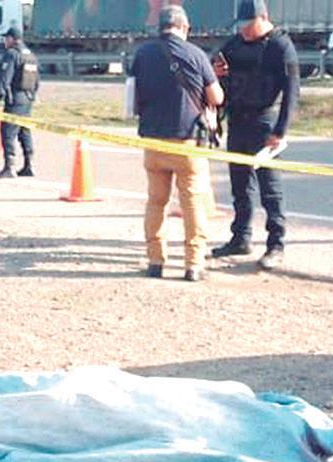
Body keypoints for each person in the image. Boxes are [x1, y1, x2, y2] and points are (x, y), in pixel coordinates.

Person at [128, 5, 224, 282]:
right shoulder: (196, 54)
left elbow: (132, 96)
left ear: (160, 27)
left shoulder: (142, 54)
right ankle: (193, 265)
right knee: (192, 204)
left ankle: (155, 261)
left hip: (154, 142)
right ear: (184, 27)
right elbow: (216, 97)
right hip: (187, 142)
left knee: (156, 202)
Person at [209, 0, 299, 271]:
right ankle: (241, 237)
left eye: (249, 25)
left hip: (264, 122)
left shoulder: (280, 46)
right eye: (241, 26)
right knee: (240, 185)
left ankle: (276, 244)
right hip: (238, 121)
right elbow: (214, 65)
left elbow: (292, 93)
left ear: (263, 18)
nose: (244, 31)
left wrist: (280, 131)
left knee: (270, 188)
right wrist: (215, 70)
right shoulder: (235, 44)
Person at [0, 25, 40, 178]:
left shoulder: (12, 54)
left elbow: (5, 78)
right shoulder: (31, 55)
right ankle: (29, 165)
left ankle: (9, 167)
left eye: (6, 38)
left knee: (8, 132)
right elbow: (36, 81)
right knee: (24, 131)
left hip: (15, 99)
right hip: (28, 99)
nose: (5, 41)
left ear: (12, 39)